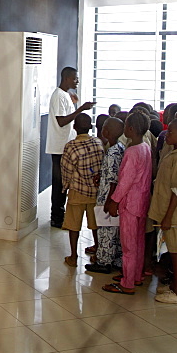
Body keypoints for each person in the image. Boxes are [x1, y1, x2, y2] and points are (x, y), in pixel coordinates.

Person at [102, 112, 152, 295]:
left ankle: (127, 282)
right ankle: (135, 276)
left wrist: (114, 200)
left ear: (130, 129)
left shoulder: (132, 151)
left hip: (130, 203)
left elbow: (126, 180)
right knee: (138, 242)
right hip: (142, 201)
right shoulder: (145, 146)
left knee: (128, 246)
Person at [149, 118, 177, 304]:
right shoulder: (173, 153)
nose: (167, 135)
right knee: (171, 251)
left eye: (171, 132)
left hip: (175, 216)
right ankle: (174, 285)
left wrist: (168, 217)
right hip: (168, 214)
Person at [47, 68, 95, 228]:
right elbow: (61, 121)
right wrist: (81, 110)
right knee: (59, 184)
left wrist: (75, 106)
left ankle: (60, 214)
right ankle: (57, 218)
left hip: (65, 146)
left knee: (64, 182)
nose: (77, 82)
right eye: (75, 79)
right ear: (67, 78)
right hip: (59, 147)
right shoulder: (58, 96)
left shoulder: (65, 96)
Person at [61, 114, 104, 267]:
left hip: (77, 191)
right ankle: (98, 253)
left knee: (73, 225)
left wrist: (65, 186)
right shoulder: (98, 143)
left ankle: (73, 256)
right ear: (91, 127)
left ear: (74, 127)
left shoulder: (71, 146)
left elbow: (66, 170)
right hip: (95, 192)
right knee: (95, 224)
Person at [86, 117, 124, 274]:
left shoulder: (112, 153)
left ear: (106, 132)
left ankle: (103, 261)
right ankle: (116, 260)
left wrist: (109, 201)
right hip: (111, 196)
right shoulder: (120, 148)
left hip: (107, 198)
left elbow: (114, 180)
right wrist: (101, 174)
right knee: (114, 230)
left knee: (106, 231)